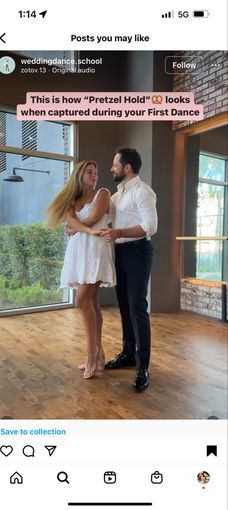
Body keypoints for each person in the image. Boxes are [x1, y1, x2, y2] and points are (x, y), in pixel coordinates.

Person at [45, 160, 116, 379]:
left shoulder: (102, 193)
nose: (94, 175)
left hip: (96, 250)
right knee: (92, 303)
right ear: (79, 175)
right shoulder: (71, 200)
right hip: (79, 251)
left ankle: (90, 355)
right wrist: (82, 229)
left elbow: (94, 218)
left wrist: (77, 228)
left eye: (96, 172)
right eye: (89, 172)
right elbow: (71, 223)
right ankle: (100, 353)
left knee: (82, 301)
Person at [101, 148, 158, 392]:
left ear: (127, 168)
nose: (111, 168)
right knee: (124, 306)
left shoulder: (143, 192)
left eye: (115, 164)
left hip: (138, 253)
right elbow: (101, 217)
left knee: (137, 307)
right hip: (121, 253)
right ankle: (128, 354)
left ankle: (142, 367)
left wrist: (120, 233)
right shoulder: (117, 195)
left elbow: (150, 226)